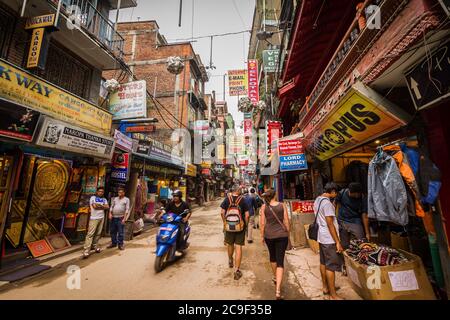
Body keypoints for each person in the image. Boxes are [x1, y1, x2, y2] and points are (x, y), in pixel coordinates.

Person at [314, 182, 344, 300]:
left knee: (323, 262)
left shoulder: (318, 200)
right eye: (335, 192)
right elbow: (330, 224)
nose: (336, 195)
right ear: (332, 191)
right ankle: (333, 295)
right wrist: (337, 241)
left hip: (321, 236)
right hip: (329, 238)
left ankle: (325, 287)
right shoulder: (327, 204)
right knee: (331, 266)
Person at [259, 188, 290, 300]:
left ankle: (275, 277)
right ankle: (278, 291)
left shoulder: (264, 207)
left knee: (272, 258)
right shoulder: (282, 205)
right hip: (282, 236)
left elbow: (262, 223)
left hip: (269, 236)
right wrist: (288, 233)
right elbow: (286, 221)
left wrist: (262, 236)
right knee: (280, 262)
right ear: (275, 195)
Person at [220, 184, 249, 280]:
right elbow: (247, 215)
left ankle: (230, 259)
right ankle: (237, 270)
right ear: (238, 190)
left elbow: (222, 212)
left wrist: (225, 222)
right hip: (240, 227)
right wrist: (245, 224)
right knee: (238, 247)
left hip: (229, 226)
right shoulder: (243, 200)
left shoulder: (226, 199)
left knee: (230, 244)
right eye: (240, 189)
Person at [335, 182, 370, 249]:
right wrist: (334, 220)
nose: (357, 196)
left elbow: (364, 215)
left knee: (362, 242)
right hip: (342, 221)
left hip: (355, 221)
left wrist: (367, 233)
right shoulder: (342, 193)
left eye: (359, 194)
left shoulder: (362, 198)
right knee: (344, 245)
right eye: (355, 194)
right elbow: (334, 204)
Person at [83, 187, 109, 258]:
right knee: (90, 234)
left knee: (98, 233)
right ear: (97, 192)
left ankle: (94, 246)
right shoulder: (93, 198)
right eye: (99, 191)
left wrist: (100, 206)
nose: (101, 193)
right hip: (94, 218)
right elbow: (94, 207)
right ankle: (86, 250)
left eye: (102, 192)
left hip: (101, 218)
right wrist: (102, 206)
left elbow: (107, 207)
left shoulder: (104, 199)